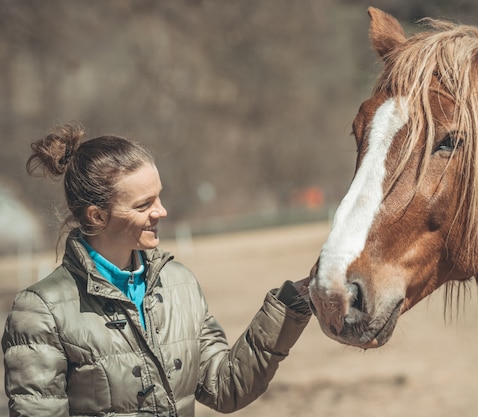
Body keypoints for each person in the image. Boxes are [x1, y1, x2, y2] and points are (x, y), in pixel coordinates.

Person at [2, 122, 312, 416]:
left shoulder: (179, 284)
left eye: (159, 196)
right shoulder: (40, 313)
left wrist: (287, 307)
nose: (160, 211)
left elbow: (226, 387)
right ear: (97, 216)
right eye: (143, 204)